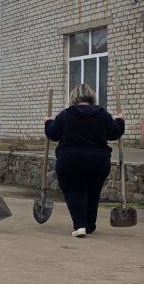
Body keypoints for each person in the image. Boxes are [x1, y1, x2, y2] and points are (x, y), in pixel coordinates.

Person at [45, 84, 125, 238]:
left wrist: (48, 122)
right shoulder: (102, 114)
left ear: (73, 98)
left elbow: (53, 134)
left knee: (73, 192)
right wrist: (120, 120)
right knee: (93, 192)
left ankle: (80, 225)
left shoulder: (65, 114)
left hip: (70, 160)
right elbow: (115, 133)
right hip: (98, 161)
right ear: (91, 97)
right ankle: (89, 225)